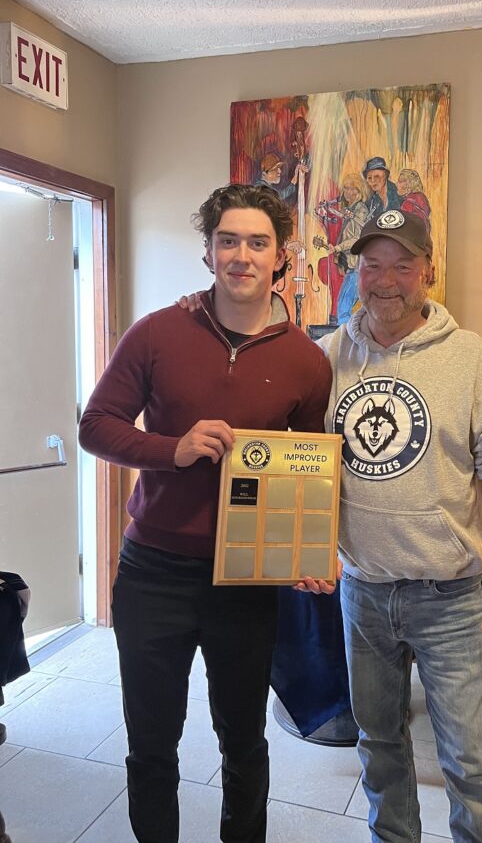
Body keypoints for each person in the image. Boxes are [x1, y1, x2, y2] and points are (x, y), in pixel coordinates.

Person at [79, 183, 332, 843]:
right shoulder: (157, 333)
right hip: (153, 572)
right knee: (151, 742)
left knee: (243, 742)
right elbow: (96, 426)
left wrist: (307, 551)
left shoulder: (307, 362)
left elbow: (305, 472)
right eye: (227, 241)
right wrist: (172, 448)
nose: (241, 256)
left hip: (245, 581)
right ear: (208, 252)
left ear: (281, 258)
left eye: (257, 243)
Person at [312, 208, 482, 843]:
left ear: (428, 271)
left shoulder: (470, 357)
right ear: (355, 271)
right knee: (379, 747)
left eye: (402, 265)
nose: (386, 280)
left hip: (451, 597)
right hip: (363, 591)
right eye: (372, 264)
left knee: (473, 764)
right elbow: (304, 463)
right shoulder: (328, 356)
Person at [313, 172, 369, 324]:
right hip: (351, 267)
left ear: (359, 190)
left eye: (352, 189)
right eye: (346, 188)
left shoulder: (361, 210)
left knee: (343, 310)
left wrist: (337, 248)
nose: (348, 192)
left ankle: (346, 336)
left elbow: (358, 238)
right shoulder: (350, 209)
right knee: (341, 308)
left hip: (357, 267)